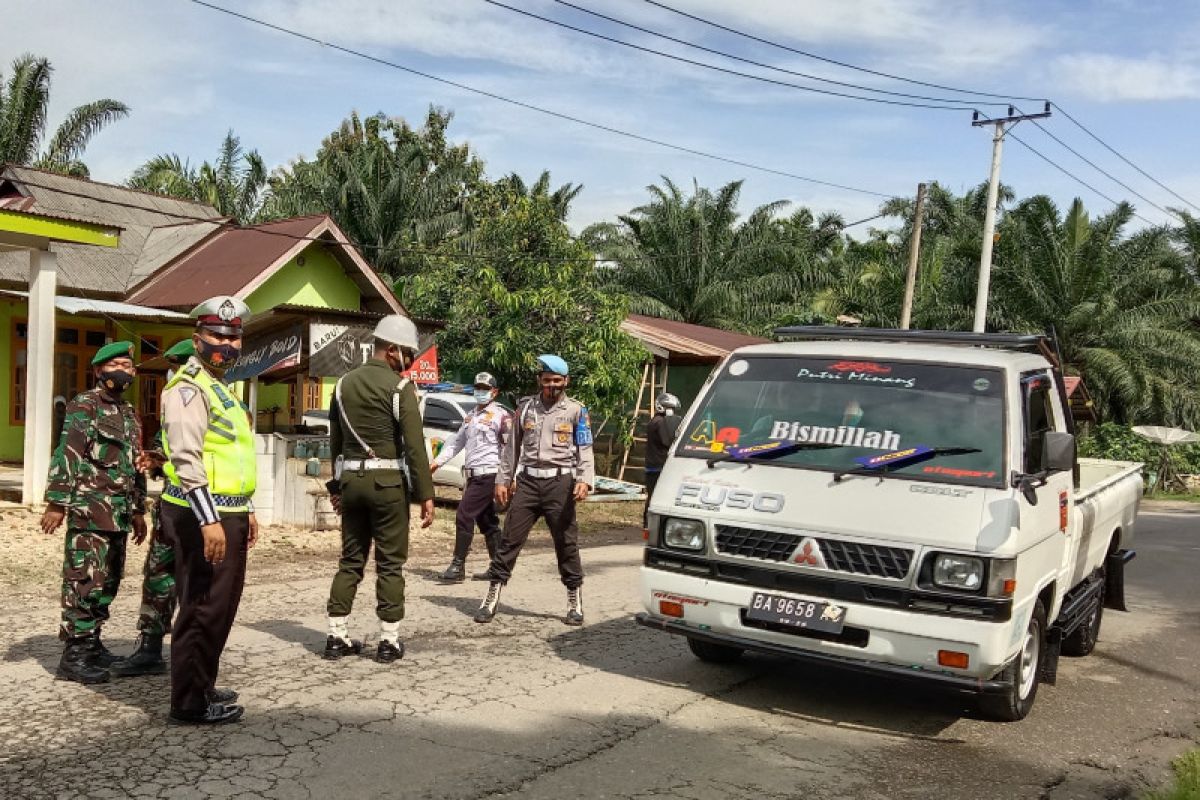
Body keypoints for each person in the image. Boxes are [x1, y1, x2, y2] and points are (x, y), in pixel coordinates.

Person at [158, 296, 257, 725]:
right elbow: (186, 460)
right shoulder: (188, 388)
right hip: (202, 514)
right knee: (201, 605)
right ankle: (190, 703)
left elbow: (232, 456)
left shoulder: (221, 389)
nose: (226, 344)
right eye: (217, 335)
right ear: (197, 338)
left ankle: (202, 682)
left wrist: (245, 507)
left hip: (226, 511)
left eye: (233, 337)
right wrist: (210, 519)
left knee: (219, 604)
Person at [324, 315, 435, 663]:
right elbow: (415, 447)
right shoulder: (401, 389)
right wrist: (425, 495)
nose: (410, 362)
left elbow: (336, 442)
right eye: (408, 354)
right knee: (390, 563)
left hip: (352, 483)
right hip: (387, 486)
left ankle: (336, 635)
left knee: (350, 560)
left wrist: (336, 487)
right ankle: (388, 640)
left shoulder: (342, 385)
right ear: (393, 350)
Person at [41, 341, 146, 684]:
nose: (123, 371)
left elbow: (135, 466)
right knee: (84, 580)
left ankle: (93, 642)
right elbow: (68, 451)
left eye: (129, 367)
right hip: (89, 510)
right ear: (99, 370)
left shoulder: (129, 414)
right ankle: (75, 654)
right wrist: (57, 502)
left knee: (109, 581)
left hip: (118, 513)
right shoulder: (85, 405)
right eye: (116, 364)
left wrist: (139, 510)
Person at [475, 354, 594, 626]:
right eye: (546, 380)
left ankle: (574, 598)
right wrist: (502, 480)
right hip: (528, 482)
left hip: (559, 484)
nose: (551, 386)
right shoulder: (526, 409)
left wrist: (584, 480)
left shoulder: (577, 411)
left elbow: (584, 448)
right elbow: (511, 448)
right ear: (539, 380)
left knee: (566, 543)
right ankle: (492, 595)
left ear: (566, 381)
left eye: (557, 381)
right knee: (509, 540)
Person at [109, 338, 195, 679]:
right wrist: (156, 460)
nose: (175, 375)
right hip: (171, 506)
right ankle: (150, 647)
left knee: (198, 585)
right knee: (159, 576)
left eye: (180, 366)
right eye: (173, 368)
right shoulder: (174, 406)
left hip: (205, 511)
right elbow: (164, 449)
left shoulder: (223, 407)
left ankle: (195, 659)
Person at [432, 372, 511, 583]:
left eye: (485, 389)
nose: (480, 392)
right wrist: (437, 462)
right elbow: (457, 442)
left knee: (464, 515)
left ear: (495, 392)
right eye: (478, 388)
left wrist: (507, 479)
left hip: (489, 474)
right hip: (473, 475)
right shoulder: (471, 415)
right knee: (486, 521)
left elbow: (508, 450)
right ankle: (499, 566)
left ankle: (458, 567)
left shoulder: (501, 416)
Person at [643, 392, 682, 526]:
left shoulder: (657, 421)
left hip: (657, 466)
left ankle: (651, 525)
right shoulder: (659, 422)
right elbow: (668, 440)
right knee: (654, 498)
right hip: (657, 467)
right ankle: (649, 525)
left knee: (655, 498)